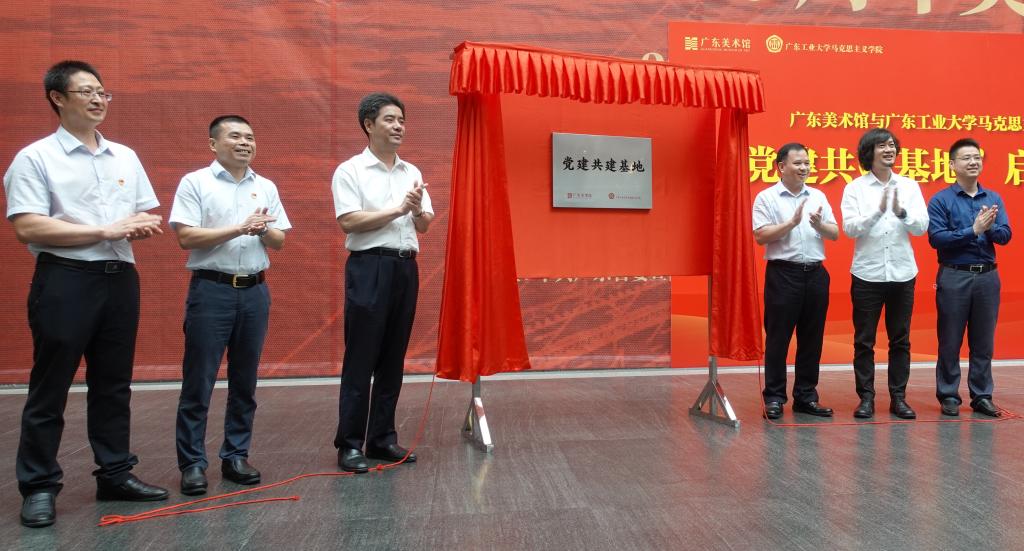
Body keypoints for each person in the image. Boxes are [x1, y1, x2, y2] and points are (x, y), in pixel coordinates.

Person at [3, 60, 168, 528]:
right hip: (65, 279)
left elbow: (144, 212)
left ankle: (115, 473)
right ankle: (38, 485)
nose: (98, 99)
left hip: (120, 278)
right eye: (87, 92)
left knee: (113, 383)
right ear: (57, 98)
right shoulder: (36, 157)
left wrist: (141, 225)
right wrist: (105, 230)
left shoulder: (125, 157)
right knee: (51, 384)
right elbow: (28, 226)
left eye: (103, 92)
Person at [169, 115, 290, 494]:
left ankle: (236, 455)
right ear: (213, 144)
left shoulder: (265, 186)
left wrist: (262, 229)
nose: (244, 143)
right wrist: (240, 227)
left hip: (254, 291)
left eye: (250, 137)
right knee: (199, 379)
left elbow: (279, 241)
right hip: (212, 290)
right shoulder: (195, 183)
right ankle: (192, 463)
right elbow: (186, 237)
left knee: (245, 380)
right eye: (235, 136)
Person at [331, 92, 433, 472]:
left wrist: (416, 210)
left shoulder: (411, 172)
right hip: (369, 267)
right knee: (362, 357)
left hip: (405, 268)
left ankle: (381, 438)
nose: (398, 126)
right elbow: (349, 221)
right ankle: (349, 443)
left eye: (401, 120)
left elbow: (424, 224)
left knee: (393, 358)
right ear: (369, 124)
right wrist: (398, 209)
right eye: (390, 120)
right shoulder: (351, 171)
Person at [840, 129, 928, 419]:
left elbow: (921, 227)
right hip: (867, 274)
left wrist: (901, 212)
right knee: (864, 340)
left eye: (892, 145)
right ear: (869, 152)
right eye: (882, 146)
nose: (889, 150)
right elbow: (850, 228)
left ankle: (898, 398)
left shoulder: (909, 186)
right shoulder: (855, 188)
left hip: (902, 273)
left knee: (900, 339)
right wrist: (878, 212)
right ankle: (866, 398)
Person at [752, 143, 839, 420]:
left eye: (807, 163)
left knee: (812, 338)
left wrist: (818, 225)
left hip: (815, 274)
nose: (804, 168)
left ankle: (806, 396)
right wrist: (791, 223)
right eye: (798, 163)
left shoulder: (818, 195)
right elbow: (760, 236)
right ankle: (774, 397)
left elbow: (835, 233)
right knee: (778, 338)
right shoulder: (766, 197)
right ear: (781, 166)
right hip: (783, 274)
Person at [927, 138, 1011, 417]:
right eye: (966, 158)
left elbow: (1005, 235)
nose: (974, 162)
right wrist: (972, 230)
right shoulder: (941, 200)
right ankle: (949, 395)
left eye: (977, 157)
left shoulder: (993, 198)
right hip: (954, 275)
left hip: (987, 277)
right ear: (952, 165)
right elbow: (937, 239)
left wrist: (988, 228)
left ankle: (982, 395)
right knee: (950, 339)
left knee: (983, 341)